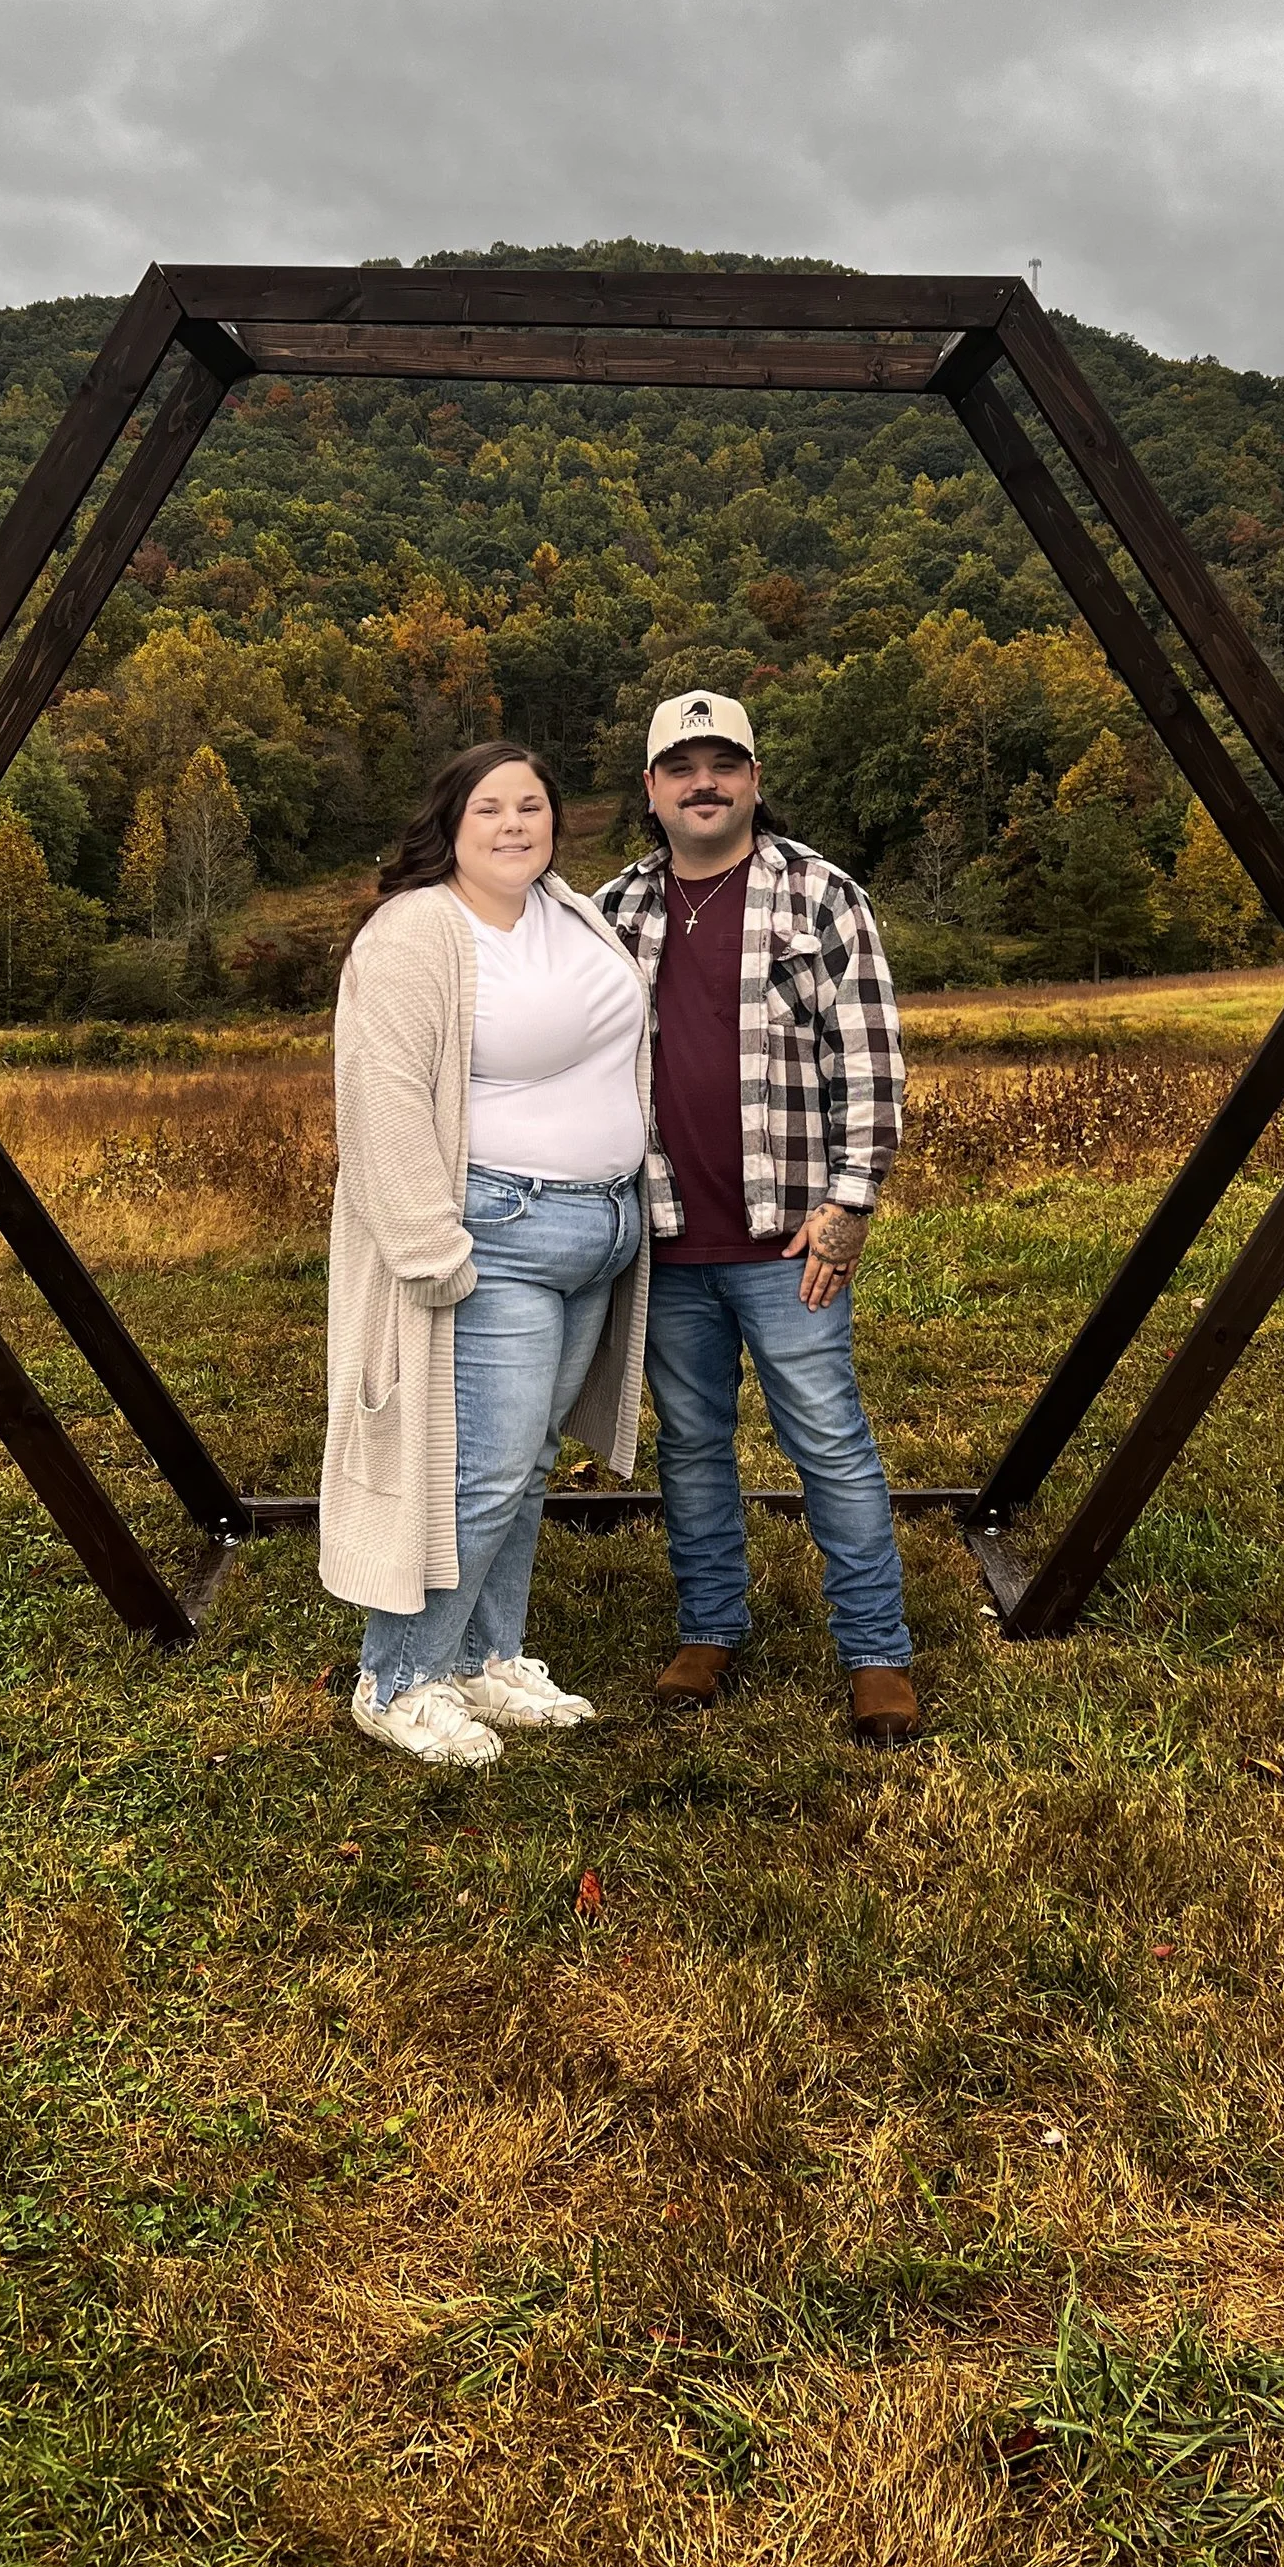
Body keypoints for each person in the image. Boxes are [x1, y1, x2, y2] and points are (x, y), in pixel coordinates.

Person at [596, 691, 919, 1746]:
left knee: (828, 1442)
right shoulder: (613, 912)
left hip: (789, 1240)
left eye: (723, 762)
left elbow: (867, 1060)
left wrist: (851, 1201)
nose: (704, 782)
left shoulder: (819, 896)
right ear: (651, 788)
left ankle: (875, 1653)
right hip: (665, 1234)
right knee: (692, 1444)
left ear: (754, 779)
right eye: (681, 765)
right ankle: (708, 1628)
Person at [321, 740, 650, 1769]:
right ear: (450, 828)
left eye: (532, 806)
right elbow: (377, 1095)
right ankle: (398, 1677)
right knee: (484, 1466)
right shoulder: (419, 931)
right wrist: (430, 1249)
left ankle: (485, 1657)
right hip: (492, 1233)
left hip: (597, 1229)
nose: (515, 824)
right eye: (489, 810)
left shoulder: (569, 911)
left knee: (531, 1461)